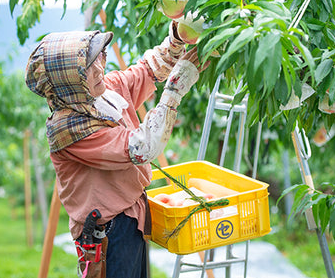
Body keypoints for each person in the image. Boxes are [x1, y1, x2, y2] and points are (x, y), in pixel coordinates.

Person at [25, 20, 209, 278]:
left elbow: (148, 70)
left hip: (131, 217)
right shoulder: (70, 129)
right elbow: (141, 147)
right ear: (70, 82)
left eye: (97, 59)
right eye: (88, 67)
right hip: (107, 232)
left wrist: (177, 38)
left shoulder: (101, 93)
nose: (100, 68)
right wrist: (175, 90)